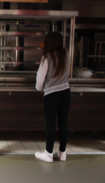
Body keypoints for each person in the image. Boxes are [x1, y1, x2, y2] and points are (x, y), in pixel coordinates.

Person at [35, 32, 71, 163]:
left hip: (51, 94)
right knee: (63, 123)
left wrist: (39, 88)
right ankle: (63, 153)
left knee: (51, 124)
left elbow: (40, 77)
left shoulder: (47, 57)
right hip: (66, 92)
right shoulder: (66, 54)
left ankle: (48, 154)